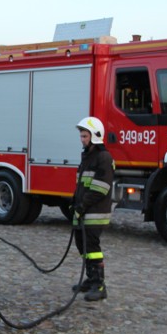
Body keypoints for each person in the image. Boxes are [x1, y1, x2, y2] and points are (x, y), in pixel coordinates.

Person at [71, 116, 114, 302]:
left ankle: (99, 284)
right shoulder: (87, 156)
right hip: (84, 210)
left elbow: (100, 188)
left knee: (93, 247)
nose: (82, 139)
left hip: (95, 211)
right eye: (81, 136)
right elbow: (82, 184)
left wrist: (82, 205)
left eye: (85, 136)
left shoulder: (103, 157)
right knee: (82, 244)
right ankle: (90, 278)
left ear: (95, 136)